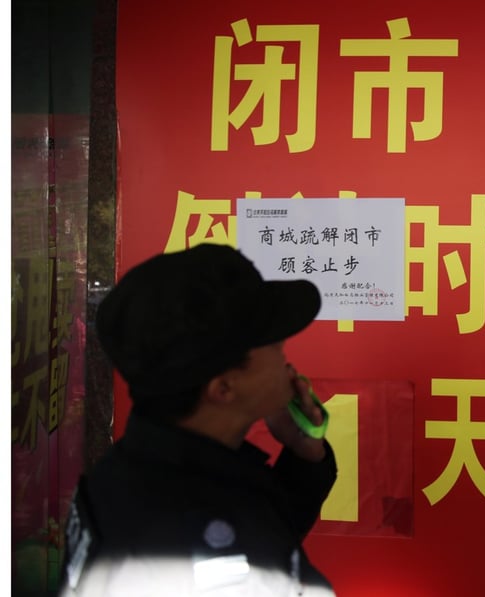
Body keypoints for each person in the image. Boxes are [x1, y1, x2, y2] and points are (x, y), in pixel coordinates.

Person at [60, 244, 337, 596]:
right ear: (223, 388)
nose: (285, 355)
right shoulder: (215, 559)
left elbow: (260, 528)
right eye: (273, 345)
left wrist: (303, 457)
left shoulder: (129, 473)